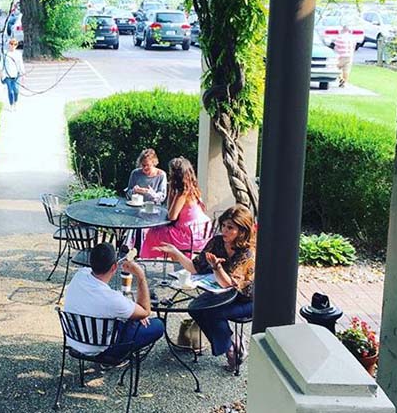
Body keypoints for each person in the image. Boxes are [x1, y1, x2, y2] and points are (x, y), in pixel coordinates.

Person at [153, 204, 256, 369]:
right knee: (195, 308)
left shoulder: (247, 253)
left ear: (242, 231)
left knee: (213, 312)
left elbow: (228, 283)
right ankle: (231, 344)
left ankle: (230, 352)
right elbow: (196, 267)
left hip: (246, 300)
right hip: (223, 294)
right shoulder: (217, 242)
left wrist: (216, 267)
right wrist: (176, 252)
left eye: (230, 228)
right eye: (223, 226)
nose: (224, 230)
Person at [62, 243, 164, 360]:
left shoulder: (79, 275)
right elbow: (146, 311)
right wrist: (140, 276)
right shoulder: (113, 299)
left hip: (74, 340)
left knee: (126, 317)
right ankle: (115, 356)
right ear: (114, 267)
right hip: (100, 348)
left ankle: (131, 318)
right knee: (158, 325)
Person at [137, 156, 210, 259]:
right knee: (163, 232)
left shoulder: (182, 193)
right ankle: (175, 261)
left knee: (153, 233)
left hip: (190, 237)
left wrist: (171, 190)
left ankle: (145, 259)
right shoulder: (193, 189)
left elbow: (171, 216)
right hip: (202, 232)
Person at [0, 38, 24, 110]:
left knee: (16, 91)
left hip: (16, 75)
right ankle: (11, 105)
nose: (13, 46)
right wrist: (1, 74)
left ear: (16, 45)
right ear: (9, 45)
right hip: (7, 76)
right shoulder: (5, 54)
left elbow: (21, 64)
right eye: (11, 44)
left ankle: (15, 103)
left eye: (15, 44)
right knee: (10, 91)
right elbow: (2, 65)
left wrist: (23, 73)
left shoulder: (18, 54)